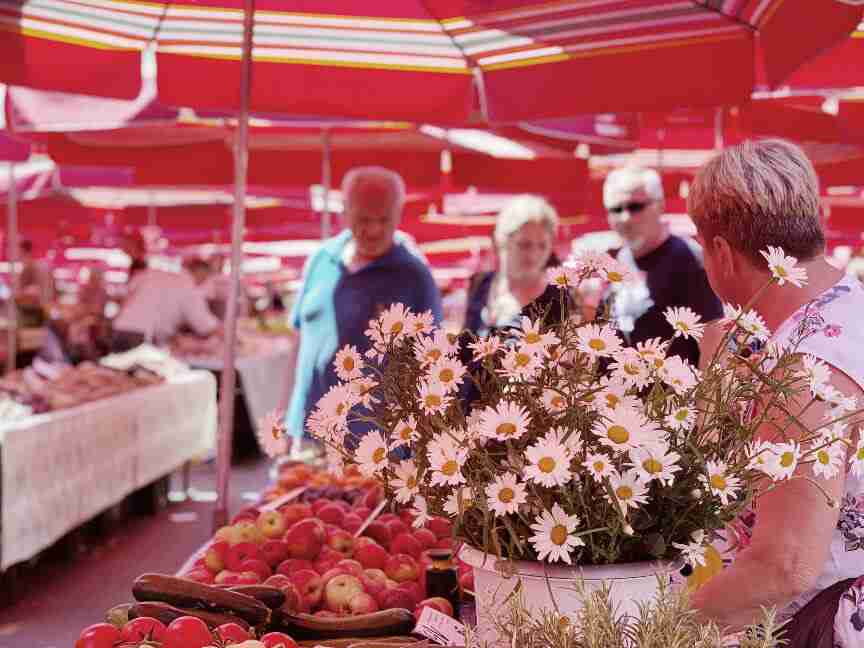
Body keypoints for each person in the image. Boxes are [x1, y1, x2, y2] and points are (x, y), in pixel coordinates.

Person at [685, 139, 864, 647]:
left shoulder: (805, 369)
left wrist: (646, 631)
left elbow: (784, 566)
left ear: (721, 252)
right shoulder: (849, 311)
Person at [282, 166, 443, 444]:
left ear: (399, 214)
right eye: (363, 219)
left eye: (385, 219)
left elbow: (431, 363)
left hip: (373, 445)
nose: (374, 229)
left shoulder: (414, 276)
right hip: (307, 435)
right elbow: (299, 342)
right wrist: (284, 417)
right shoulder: (320, 259)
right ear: (344, 210)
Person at [603, 167, 722, 365]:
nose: (625, 218)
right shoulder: (619, 259)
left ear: (660, 205)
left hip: (673, 392)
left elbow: (713, 340)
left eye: (635, 207)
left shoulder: (689, 260)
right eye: (616, 209)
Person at [463, 195, 566, 338]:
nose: (533, 255)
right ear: (501, 240)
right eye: (524, 245)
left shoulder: (558, 296)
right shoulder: (479, 285)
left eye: (543, 246)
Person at [111, 236, 220, 352]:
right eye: (205, 278)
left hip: (119, 331)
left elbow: (126, 294)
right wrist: (226, 333)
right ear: (200, 273)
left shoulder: (155, 274)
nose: (203, 283)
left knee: (118, 368)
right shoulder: (187, 286)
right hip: (142, 337)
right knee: (139, 369)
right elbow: (203, 322)